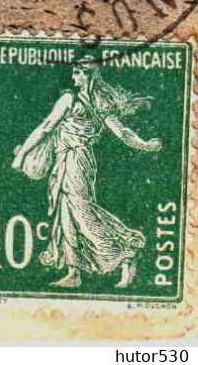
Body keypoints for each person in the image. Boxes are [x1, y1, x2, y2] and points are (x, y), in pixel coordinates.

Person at [11, 61, 161, 288]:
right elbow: (122, 133)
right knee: (66, 212)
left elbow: (46, 127)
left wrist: (22, 153)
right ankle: (74, 271)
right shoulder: (99, 103)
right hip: (73, 160)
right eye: (74, 73)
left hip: (75, 160)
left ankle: (125, 251)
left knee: (81, 211)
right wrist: (145, 145)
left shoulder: (70, 99)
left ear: (88, 76)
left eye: (78, 74)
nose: (74, 78)